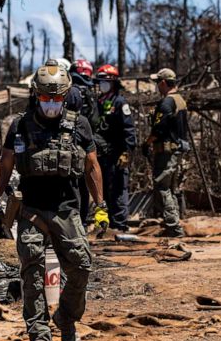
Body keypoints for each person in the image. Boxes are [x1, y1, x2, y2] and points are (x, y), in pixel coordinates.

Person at [0, 61, 108, 341]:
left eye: (58, 98)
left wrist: (101, 206)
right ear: (35, 95)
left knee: (81, 267)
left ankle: (65, 318)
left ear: (66, 96)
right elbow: (5, 165)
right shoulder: (20, 126)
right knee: (33, 275)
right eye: (46, 97)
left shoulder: (79, 125)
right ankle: (40, 336)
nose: (52, 103)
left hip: (66, 210)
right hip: (31, 211)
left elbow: (92, 166)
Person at [142, 68, 189, 237]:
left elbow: (159, 129)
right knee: (170, 188)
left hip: (167, 151)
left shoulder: (167, 102)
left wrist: (146, 143)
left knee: (161, 187)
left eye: (157, 83)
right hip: (177, 151)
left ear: (163, 83)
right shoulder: (180, 100)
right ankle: (173, 222)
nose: (156, 86)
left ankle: (174, 226)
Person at [90, 64, 136, 231]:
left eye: (105, 81)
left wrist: (127, 152)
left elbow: (129, 130)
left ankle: (120, 224)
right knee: (104, 189)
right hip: (103, 155)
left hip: (117, 154)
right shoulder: (99, 103)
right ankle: (107, 223)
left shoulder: (120, 102)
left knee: (118, 189)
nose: (101, 85)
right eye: (100, 81)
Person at [66, 58, 96, 223]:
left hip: (75, 144)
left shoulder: (71, 91)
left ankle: (77, 222)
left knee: (76, 186)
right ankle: (80, 223)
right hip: (83, 144)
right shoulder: (89, 93)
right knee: (82, 185)